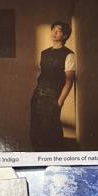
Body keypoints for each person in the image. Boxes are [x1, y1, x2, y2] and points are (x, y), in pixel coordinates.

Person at [30, 20, 76, 151]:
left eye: (58, 30)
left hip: (53, 98)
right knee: (36, 130)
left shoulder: (69, 55)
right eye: (53, 29)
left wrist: (59, 102)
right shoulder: (44, 53)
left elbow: (69, 81)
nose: (54, 32)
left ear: (65, 35)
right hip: (38, 96)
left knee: (51, 131)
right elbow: (43, 74)